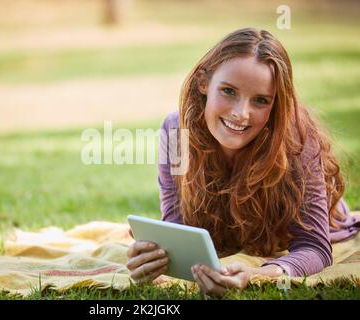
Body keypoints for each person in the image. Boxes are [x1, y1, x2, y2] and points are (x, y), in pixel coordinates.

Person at [125, 28, 360, 296]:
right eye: (228, 91)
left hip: (315, 221)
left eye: (260, 100)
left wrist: (260, 274)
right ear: (204, 82)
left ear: (276, 104)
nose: (241, 114)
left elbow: (315, 247)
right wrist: (155, 258)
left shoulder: (297, 140)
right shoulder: (176, 132)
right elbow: (178, 228)